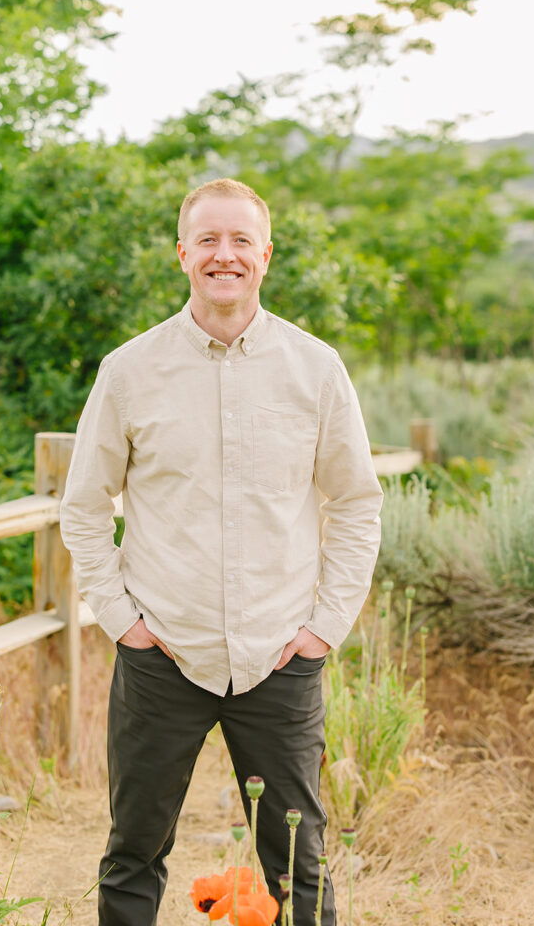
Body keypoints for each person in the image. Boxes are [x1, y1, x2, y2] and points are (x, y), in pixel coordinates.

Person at [59, 178, 383, 926]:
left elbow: (357, 504)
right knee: (133, 852)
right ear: (182, 255)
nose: (224, 255)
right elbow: (81, 507)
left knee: (299, 864)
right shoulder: (129, 371)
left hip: (280, 657)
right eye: (207, 239)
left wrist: (323, 628)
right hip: (161, 655)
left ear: (265, 256)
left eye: (240, 240)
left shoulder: (316, 369)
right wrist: (121, 621)